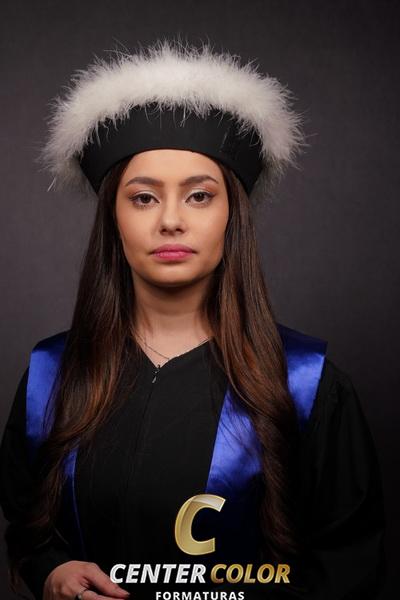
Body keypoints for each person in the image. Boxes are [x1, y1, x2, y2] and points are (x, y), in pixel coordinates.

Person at [0, 39, 386, 600]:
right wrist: (52, 572)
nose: (171, 220)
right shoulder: (50, 375)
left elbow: (347, 565)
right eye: (144, 198)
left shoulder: (306, 383)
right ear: (113, 219)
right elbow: (28, 527)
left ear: (232, 216)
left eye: (200, 196)